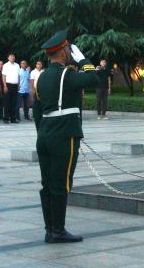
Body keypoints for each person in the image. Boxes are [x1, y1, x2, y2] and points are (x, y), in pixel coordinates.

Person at [33, 29, 99, 243]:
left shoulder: (41, 77)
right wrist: (83, 59)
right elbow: (93, 77)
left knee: (48, 183)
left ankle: (50, 229)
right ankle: (58, 231)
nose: (69, 53)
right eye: (68, 49)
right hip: (64, 133)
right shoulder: (67, 74)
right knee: (61, 183)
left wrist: (43, 132)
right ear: (62, 52)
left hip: (45, 132)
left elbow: (36, 110)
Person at [2, 53, 21, 124]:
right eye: (11, 57)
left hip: (15, 85)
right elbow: (3, 76)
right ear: (8, 58)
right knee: (7, 102)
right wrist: (5, 86)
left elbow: (18, 76)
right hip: (8, 85)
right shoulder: (5, 65)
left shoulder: (17, 65)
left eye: (13, 56)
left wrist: (19, 84)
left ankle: (13, 118)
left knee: (14, 103)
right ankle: (6, 118)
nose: (12, 58)